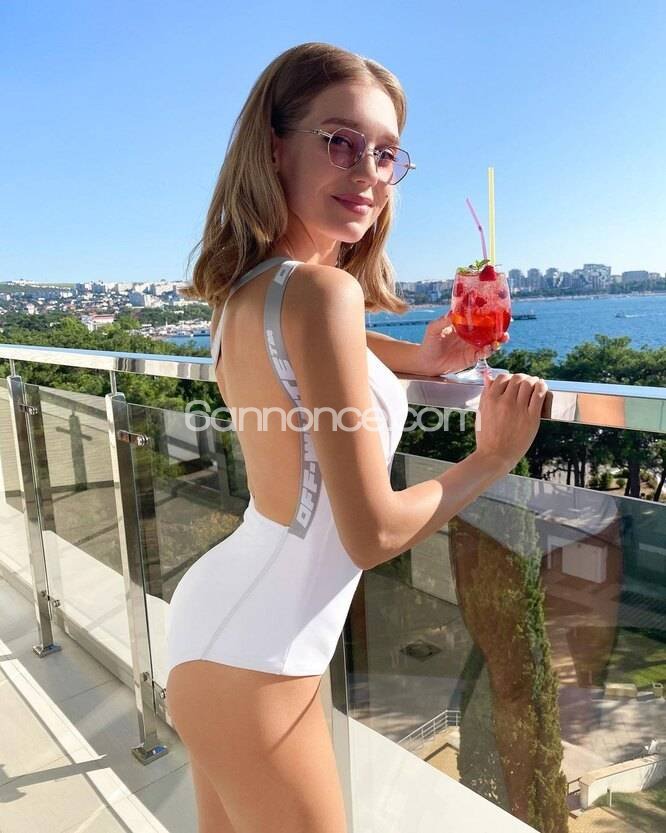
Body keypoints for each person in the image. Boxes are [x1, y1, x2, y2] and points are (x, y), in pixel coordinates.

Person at [165, 41, 548, 833]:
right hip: (258, 657)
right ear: (275, 147)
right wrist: (491, 457)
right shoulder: (323, 295)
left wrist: (421, 359)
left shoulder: (246, 292)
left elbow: (318, 354)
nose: (369, 172)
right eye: (341, 141)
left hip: (229, 631)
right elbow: (369, 533)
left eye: (384, 152)